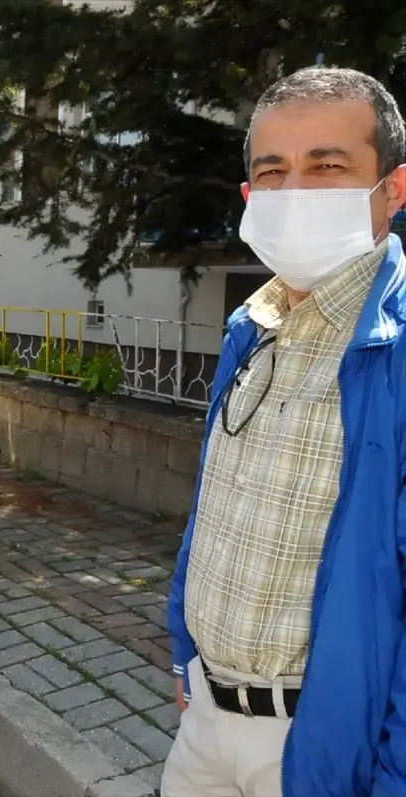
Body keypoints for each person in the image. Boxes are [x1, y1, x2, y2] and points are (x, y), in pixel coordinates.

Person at [165, 66, 406, 797]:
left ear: (393, 189)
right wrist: (185, 653)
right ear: (248, 198)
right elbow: (217, 507)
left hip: (323, 748)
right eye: (273, 172)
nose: (295, 191)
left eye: (328, 166)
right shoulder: (251, 328)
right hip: (203, 719)